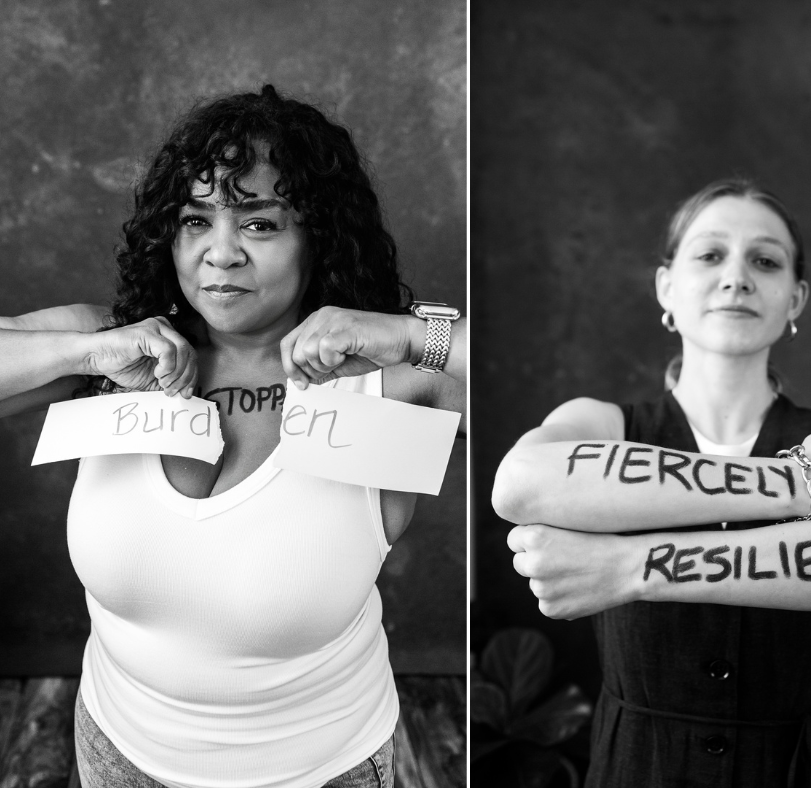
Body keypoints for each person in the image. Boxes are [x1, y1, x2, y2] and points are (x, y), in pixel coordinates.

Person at [0, 85, 465, 788]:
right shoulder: (113, 351)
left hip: (319, 771)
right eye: (195, 220)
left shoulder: (396, 383)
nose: (220, 255)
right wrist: (86, 356)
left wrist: (404, 331)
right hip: (115, 750)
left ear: (319, 235)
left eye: (260, 224)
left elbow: (543, 396)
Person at [492, 178, 811, 788]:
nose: (737, 276)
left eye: (765, 260)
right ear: (665, 287)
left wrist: (629, 566)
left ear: (796, 299)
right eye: (709, 254)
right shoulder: (600, 422)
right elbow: (518, 482)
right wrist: (801, 484)